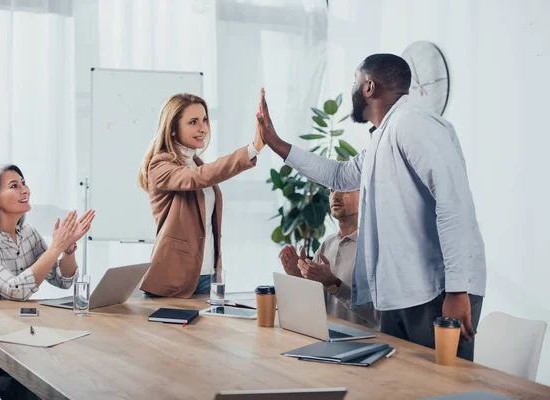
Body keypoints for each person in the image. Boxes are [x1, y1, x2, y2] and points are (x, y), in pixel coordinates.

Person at [257, 53, 486, 361]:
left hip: (438, 291)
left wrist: (457, 291)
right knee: (397, 386)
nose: (352, 87)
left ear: (368, 87)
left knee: (443, 388)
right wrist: (275, 142)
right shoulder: (384, 136)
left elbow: (453, 204)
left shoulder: (413, 123)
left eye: (354, 81)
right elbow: (338, 174)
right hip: (402, 292)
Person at [0, 164, 95, 399]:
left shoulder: (28, 233)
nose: (25, 190)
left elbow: (62, 280)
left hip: (18, 332)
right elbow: (15, 290)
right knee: (41, 376)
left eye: (24, 183)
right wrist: (56, 247)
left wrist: (68, 249)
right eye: (14, 186)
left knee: (72, 364)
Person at [138, 93, 264, 298]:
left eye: (204, 120)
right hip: (173, 279)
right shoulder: (160, 165)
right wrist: (252, 149)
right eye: (193, 122)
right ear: (172, 129)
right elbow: (197, 178)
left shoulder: (195, 163)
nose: (203, 128)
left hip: (207, 277)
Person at [279, 188, 379, 329]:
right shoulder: (327, 244)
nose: (335, 196)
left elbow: (380, 315)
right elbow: (317, 304)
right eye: (331, 190)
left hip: (369, 345)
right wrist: (298, 276)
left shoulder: (375, 247)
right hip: (330, 339)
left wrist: (334, 284)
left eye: (345, 190)